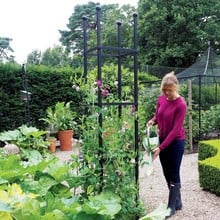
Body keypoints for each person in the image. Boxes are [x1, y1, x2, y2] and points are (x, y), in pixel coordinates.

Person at [147, 71, 187, 218]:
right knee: (166, 172)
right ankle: (178, 202)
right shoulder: (161, 99)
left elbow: (176, 129)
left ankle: (171, 207)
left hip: (176, 142)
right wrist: (153, 120)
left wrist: (161, 147)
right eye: (164, 89)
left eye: (169, 90)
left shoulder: (181, 104)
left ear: (176, 87)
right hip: (162, 140)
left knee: (174, 172)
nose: (167, 93)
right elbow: (159, 115)